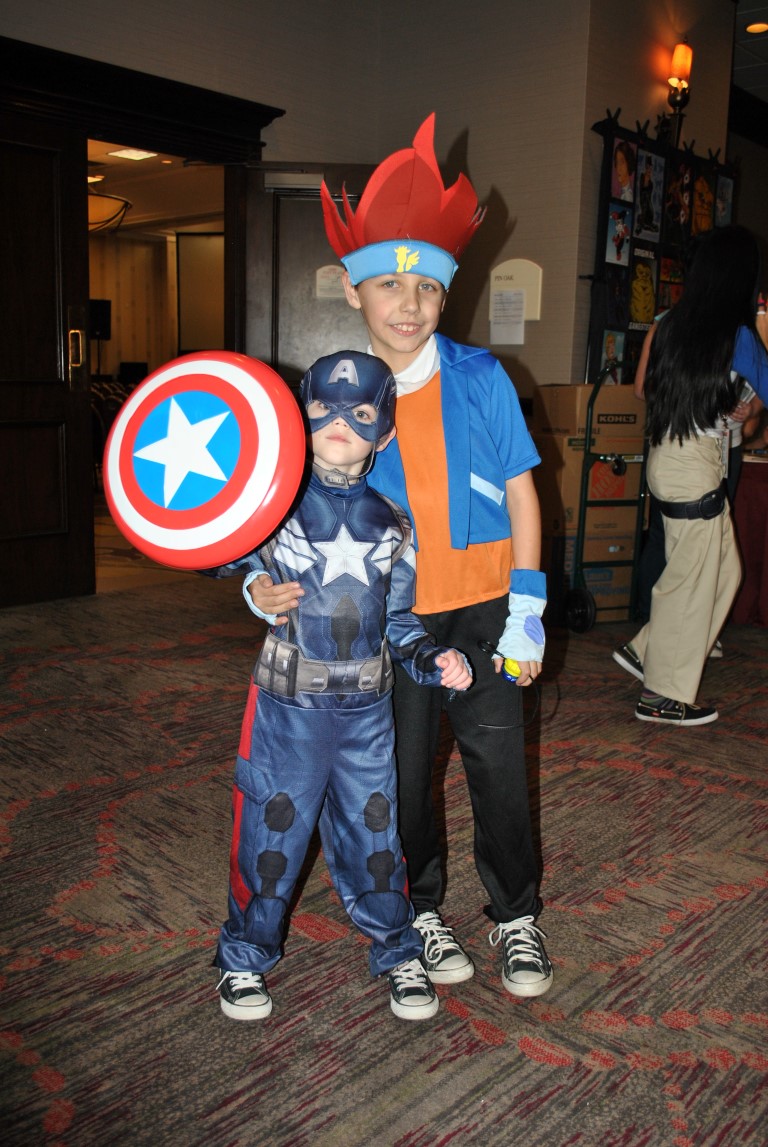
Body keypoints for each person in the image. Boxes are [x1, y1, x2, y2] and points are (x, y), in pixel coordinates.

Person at [249, 115, 553, 1000]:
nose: (409, 303)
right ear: (353, 290)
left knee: (499, 767)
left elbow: (524, 495)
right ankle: (418, 907)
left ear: (447, 293)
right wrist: (261, 587)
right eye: (388, 282)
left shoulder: (484, 379)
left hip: (488, 606)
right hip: (394, 619)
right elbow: (287, 514)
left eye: (426, 285)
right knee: (402, 776)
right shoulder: (334, 398)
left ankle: (516, 913)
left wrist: (529, 608)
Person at [212, 350, 473, 1022]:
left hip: (366, 711)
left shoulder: (393, 523)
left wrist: (433, 659)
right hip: (287, 707)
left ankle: (397, 948)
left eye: (359, 412)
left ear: (384, 433)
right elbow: (218, 544)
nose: (338, 421)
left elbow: (401, 622)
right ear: (298, 417)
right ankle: (244, 955)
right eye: (322, 407)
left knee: (377, 835)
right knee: (272, 831)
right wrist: (255, 587)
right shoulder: (274, 504)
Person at [612, 226, 768, 725]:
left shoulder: (674, 324)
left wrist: (734, 403)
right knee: (690, 580)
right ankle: (662, 695)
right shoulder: (737, 335)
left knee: (725, 572)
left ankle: (645, 649)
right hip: (695, 464)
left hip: (669, 456)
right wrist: (749, 405)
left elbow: (650, 389)